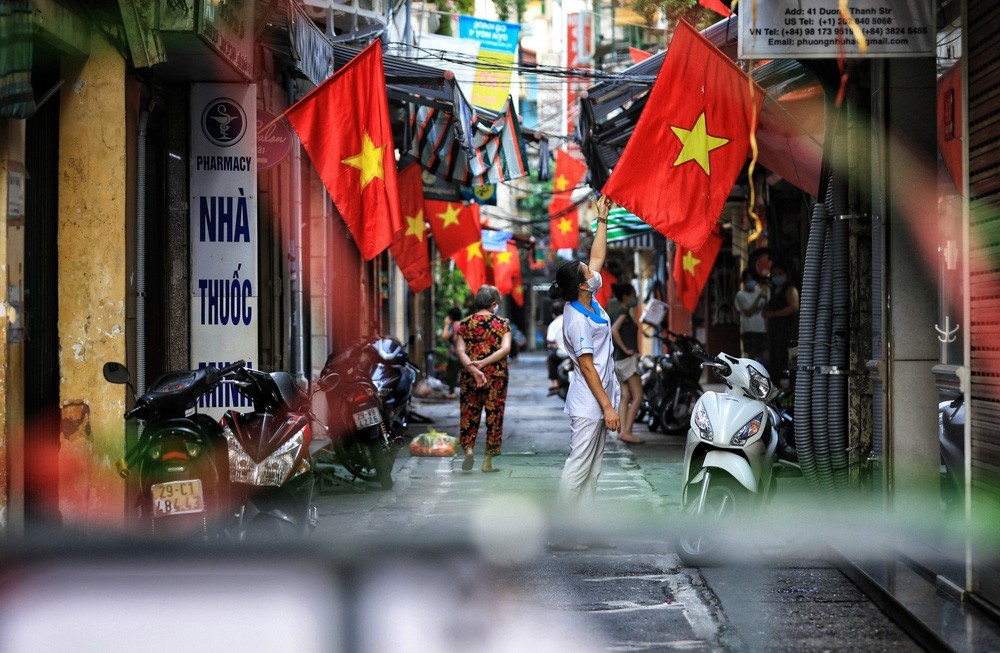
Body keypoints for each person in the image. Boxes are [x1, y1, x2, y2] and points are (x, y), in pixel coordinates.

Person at [546, 194, 621, 550]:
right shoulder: (576, 319)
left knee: (593, 469)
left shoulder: (588, 301)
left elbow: (597, 256)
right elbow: (588, 367)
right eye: (586, 272)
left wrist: (602, 219)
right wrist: (607, 406)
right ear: (580, 284)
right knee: (578, 467)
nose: (592, 271)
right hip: (589, 402)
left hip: (599, 397)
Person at [455, 285, 512, 473]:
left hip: (470, 377)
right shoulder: (502, 323)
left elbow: (460, 351)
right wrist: (484, 363)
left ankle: (469, 449)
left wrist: (473, 368)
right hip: (496, 376)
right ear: (494, 304)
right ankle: (487, 462)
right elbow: (505, 349)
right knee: (494, 416)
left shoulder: (465, 323)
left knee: (469, 414)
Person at [610, 282, 645, 444]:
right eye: (633, 295)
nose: (635, 298)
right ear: (626, 297)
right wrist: (626, 349)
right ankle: (627, 431)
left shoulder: (621, 311)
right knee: (638, 396)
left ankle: (622, 430)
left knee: (625, 396)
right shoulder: (623, 311)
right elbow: (614, 330)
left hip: (619, 360)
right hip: (627, 360)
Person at [763, 263, 800, 383]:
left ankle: (786, 384)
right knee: (775, 359)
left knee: (784, 359)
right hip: (774, 332)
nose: (776, 277)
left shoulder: (790, 289)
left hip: (786, 330)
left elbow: (794, 307)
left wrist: (774, 314)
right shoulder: (774, 291)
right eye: (774, 274)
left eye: (780, 274)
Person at [733, 269, 768, 362]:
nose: (751, 281)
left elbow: (765, 309)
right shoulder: (740, 295)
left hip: (762, 329)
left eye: (752, 279)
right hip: (749, 330)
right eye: (748, 279)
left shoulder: (760, 291)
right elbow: (748, 312)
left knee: (765, 357)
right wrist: (759, 297)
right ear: (743, 280)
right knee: (752, 359)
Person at [440, 307, 464, 399]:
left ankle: (451, 392)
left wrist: (446, 324)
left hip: (454, 354)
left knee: (451, 374)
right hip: (464, 353)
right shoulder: (462, 324)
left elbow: (444, 336)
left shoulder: (453, 325)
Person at [545, 301, 567, 395]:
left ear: (553, 313)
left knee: (550, 359)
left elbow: (550, 341)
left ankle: (554, 382)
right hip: (576, 351)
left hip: (562, 352)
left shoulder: (553, 324)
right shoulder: (571, 320)